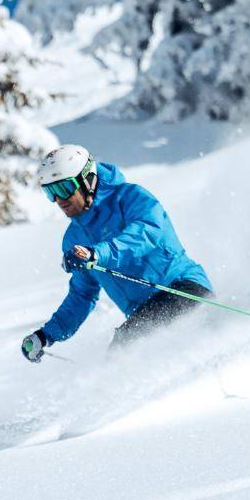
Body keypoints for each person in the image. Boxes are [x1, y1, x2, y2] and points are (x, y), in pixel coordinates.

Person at [20, 144, 213, 362]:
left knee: (125, 348)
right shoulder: (75, 238)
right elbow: (82, 295)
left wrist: (98, 254)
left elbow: (147, 231)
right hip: (142, 313)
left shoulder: (130, 197)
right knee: (125, 352)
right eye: (50, 192)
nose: (59, 199)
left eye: (64, 188)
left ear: (87, 179)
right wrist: (46, 335)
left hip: (182, 289)